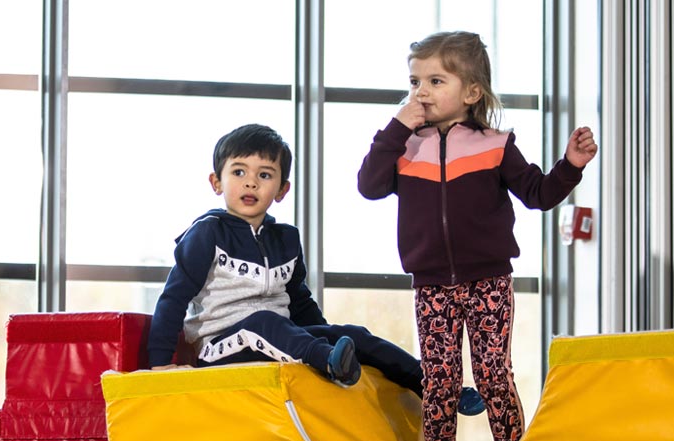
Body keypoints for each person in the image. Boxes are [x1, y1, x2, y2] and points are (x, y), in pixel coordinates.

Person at [357, 31, 598, 441]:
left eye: (434, 80)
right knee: (440, 378)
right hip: (432, 285)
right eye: (414, 82)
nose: (420, 92)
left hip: (489, 280)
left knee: (492, 373)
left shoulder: (494, 144)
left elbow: (538, 194)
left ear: (471, 93)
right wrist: (396, 128)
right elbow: (369, 184)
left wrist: (570, 165)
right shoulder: (404, 148)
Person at [148, 123, 485, 415]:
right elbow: (173, 297)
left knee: (353, 333)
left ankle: (436, 388)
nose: (250, 183)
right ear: (216, 182)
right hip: (221, 346)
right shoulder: (207, 233)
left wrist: (327, 335)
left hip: (278, 335)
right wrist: (160, 362)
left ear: (282, 190)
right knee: (264, 323)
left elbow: (299, 301)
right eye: (239, 172)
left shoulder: (286, 239)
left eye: (264, 175)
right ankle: (329, 362)